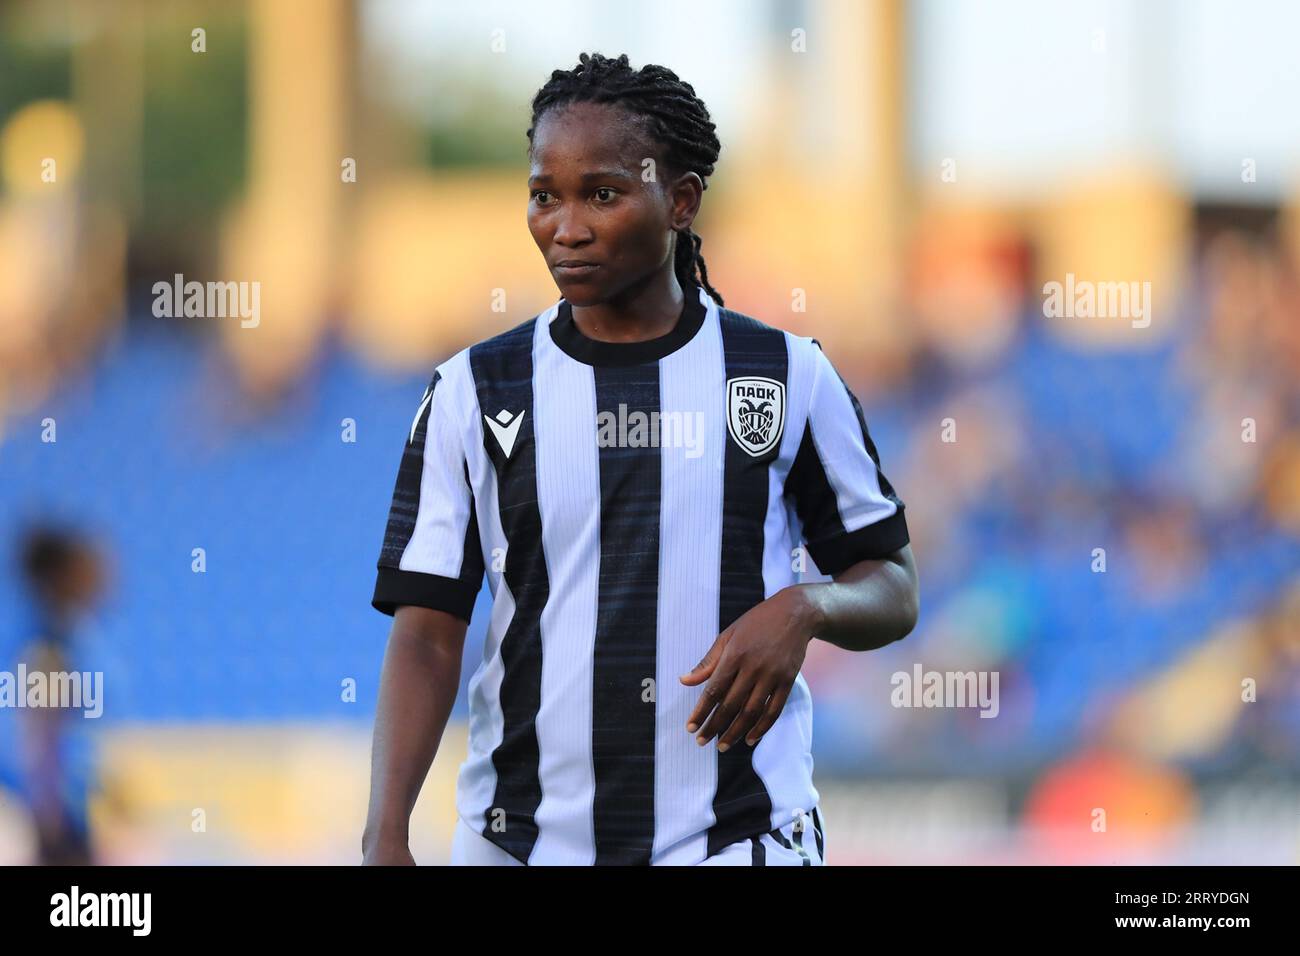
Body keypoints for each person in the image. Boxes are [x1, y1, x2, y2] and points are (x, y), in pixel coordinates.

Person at [362, 52, 918, 866]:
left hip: (737, 836)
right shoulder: (473, 390)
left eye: (604, 193)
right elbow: (427, 633)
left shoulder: (785, 375)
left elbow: (893, 587)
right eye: (544, 195)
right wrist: (385, 835)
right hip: (520, 843)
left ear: (681, 201)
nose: (567, 225)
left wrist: (805, 609)